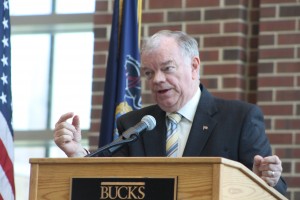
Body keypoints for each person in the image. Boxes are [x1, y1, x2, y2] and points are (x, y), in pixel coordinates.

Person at [54, 30, 287, 195]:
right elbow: (104, 180)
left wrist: (264, 180)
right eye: (148, 73)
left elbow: (279, 191)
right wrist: (76, 152)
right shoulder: (134, 124)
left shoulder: (239, 118)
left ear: (194, 66)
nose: (157, 80)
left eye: (167, 69)